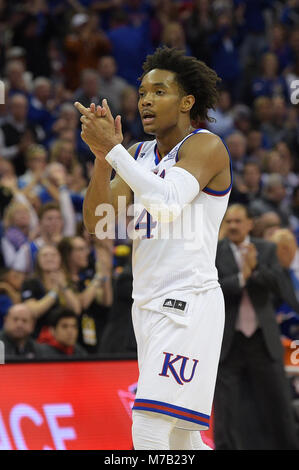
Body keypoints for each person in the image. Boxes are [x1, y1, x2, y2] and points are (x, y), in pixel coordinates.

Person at [75, 46, 231, 450]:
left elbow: (165, 202)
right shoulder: (138, 154)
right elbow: (98, 223)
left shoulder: (206, 145)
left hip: (187, 302)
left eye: (159, 91)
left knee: (147, 426)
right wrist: (100, 159)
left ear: (186, 101)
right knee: (182, 437)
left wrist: (113, 151)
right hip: (145, 305)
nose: (145, 99)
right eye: (142, 92)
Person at [214, 204, 299, 450]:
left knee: (279, 404)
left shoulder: (266, 249)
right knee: (225, 408)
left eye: (238, 221)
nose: (233, 226)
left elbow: (278, 286)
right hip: (230, 341)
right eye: (229, 222)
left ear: (250, 224)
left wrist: (256, 269)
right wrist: (243, 276)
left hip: (263, 338)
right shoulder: (215, 252)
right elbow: (214, 287)